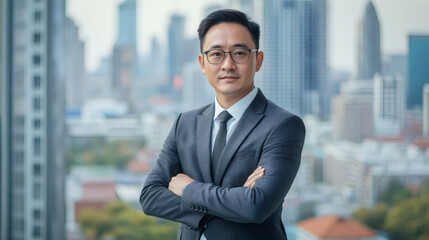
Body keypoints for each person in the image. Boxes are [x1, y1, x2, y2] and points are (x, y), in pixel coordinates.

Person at [140, 9, 305, 240]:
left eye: (239, 53)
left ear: (258, 60)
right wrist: (233, 202)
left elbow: (255, 206)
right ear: (203, 63)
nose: (227, 65)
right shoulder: (184, 123)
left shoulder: (283, 125)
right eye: (216, 54)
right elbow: (150, 197)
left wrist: (188, 190)